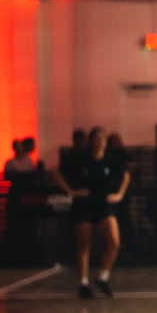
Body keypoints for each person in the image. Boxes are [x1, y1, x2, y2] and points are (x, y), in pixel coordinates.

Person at [52, 126, 130, 298]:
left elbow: (125, 175)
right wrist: (71, 191)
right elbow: (56, 172)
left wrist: (119, 194)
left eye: (103, 138)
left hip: (103, 205)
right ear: (91, 141)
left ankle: (103, 277)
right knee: (84, 244)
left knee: (114, 242)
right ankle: (83, 283)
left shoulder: (110, 160)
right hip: (84, 206)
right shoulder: (81, 159)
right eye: (96, 138)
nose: (100, 142)